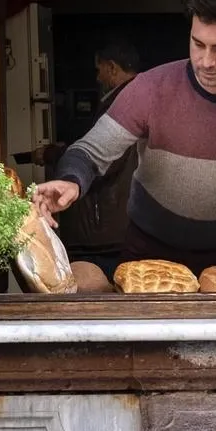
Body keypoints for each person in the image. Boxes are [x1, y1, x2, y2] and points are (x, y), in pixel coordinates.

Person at [35, 0, 216, 276]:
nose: (206, 61)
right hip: (147, 257)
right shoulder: (150, 88)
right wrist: (71, 180)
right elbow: (89, 152)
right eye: (198, 44)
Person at [31, 41, 141, 276]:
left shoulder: (122, 102)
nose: (98, 77)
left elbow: (104, 158)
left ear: (112, 68)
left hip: (108, 229)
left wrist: (54, 155)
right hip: (119, 225)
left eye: (99, 69)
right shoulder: (135, 97)